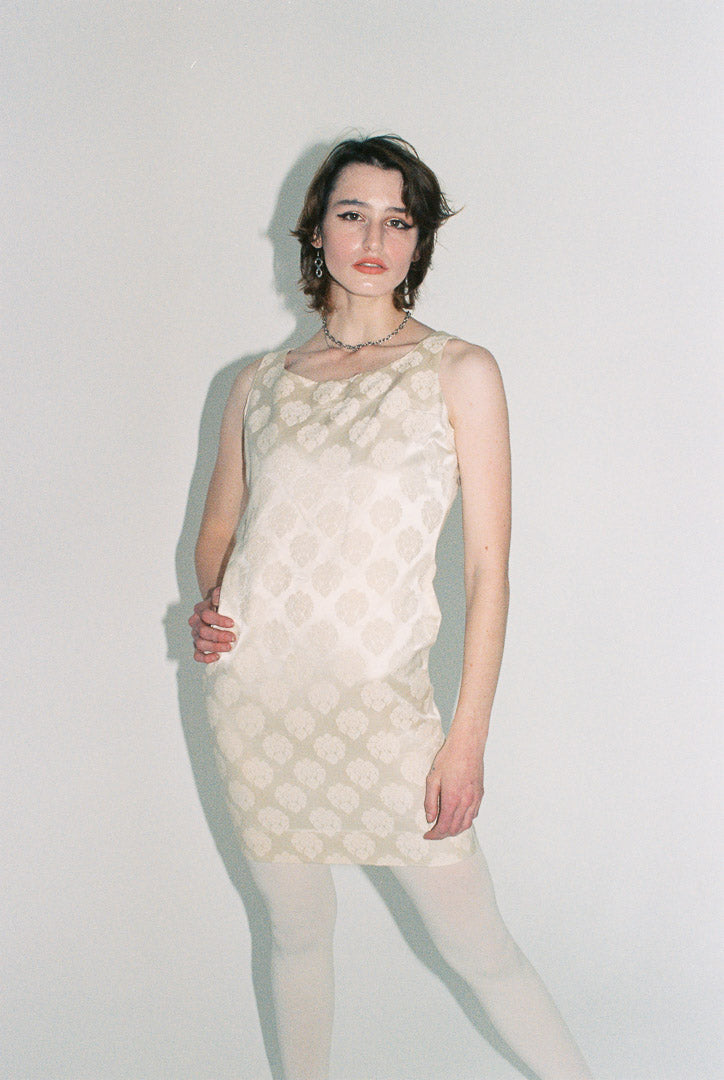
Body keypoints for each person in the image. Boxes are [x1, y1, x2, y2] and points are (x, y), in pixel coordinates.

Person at [189, 135, 593, 1080]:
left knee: (478, 949)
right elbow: (219, 533)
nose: (374, 235)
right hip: (259, 705)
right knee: (294, 935)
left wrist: (465, 741)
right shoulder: (260, 386)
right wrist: (214, 603)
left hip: (387, 715)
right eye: (352, 212)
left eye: (398, 219)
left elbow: (489, 572)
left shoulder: (460, 372)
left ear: (420, 244)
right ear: (316, 229)